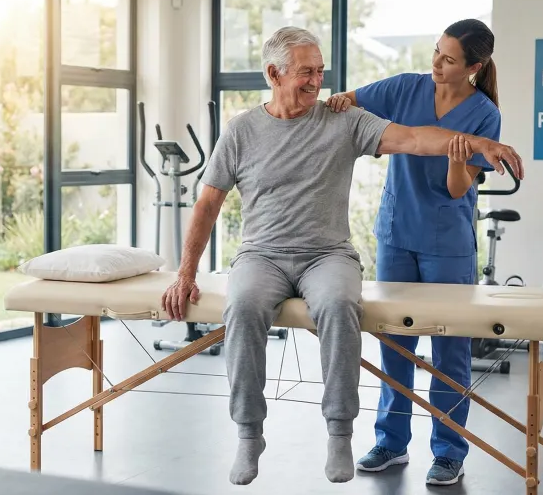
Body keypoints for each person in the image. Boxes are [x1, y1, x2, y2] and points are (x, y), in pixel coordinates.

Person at [160, 25, 523, 487]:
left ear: (473, 68)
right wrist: (183, 274)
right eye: (306, 73)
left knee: (385, 324)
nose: (317, 82)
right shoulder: (246, 129)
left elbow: (415, 140)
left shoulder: (362, 122)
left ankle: (372, 439)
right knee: (267, 312)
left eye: (320, 72)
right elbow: (209, 202)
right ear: (274, 74)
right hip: (295, 250)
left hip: (373, 248)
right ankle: (263, 436)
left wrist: (479, 145)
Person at [324, 18, 503, 487]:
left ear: (474, 67)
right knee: (394, 344)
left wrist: (458, 160)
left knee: (450, 349)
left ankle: (448, 451)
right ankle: (390, 441)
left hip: (447, 242)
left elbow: (456, 188)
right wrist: (333, 102)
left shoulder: (484, 113)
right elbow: (347, 101)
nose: (437, 64)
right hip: (397, 233)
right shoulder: (405, 88)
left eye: (449, 59)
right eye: (436, 53)